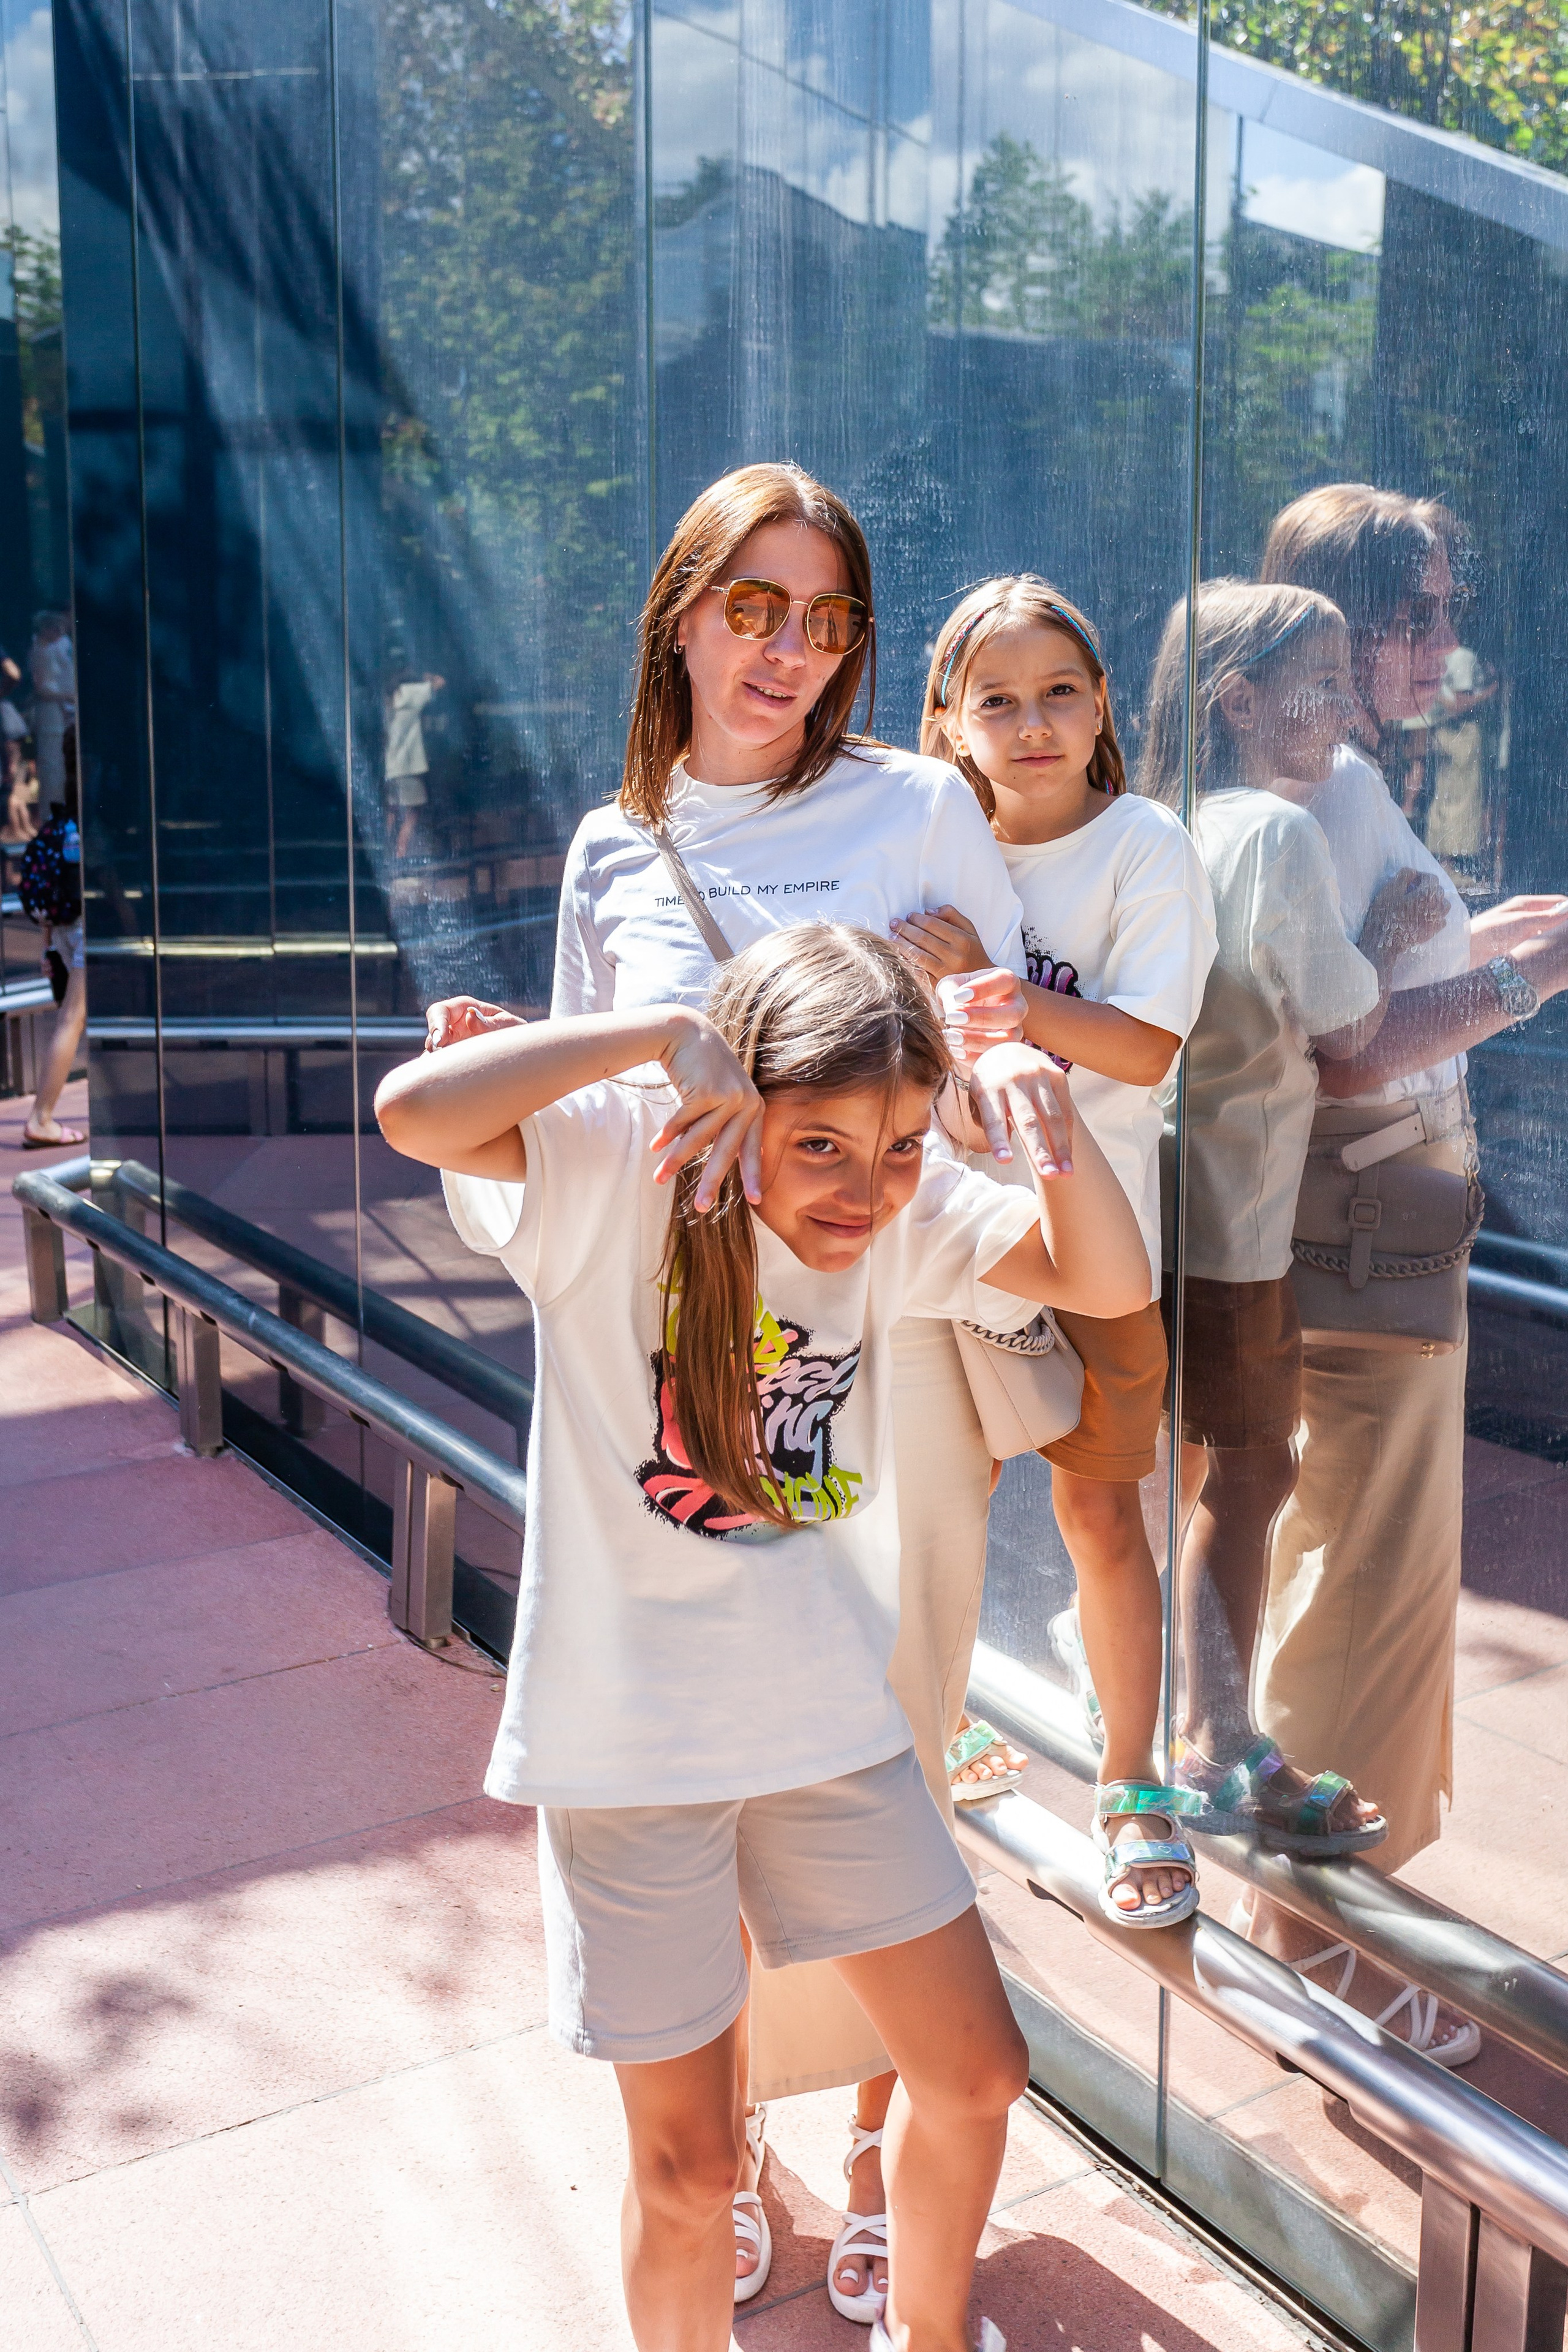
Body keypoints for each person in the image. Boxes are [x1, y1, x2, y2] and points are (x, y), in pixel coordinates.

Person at [424, 461, 1038, 2325]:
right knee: (701, 1753)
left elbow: (993, 1029)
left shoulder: (920, 797)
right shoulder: (622, 841)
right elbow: (565, 1122)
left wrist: (967, 997)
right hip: (681, 1352)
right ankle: (723, 2169)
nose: (787, 651)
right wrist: (507, 1072)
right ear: (678, 615)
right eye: (749, 607)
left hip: (883, 1339)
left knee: (876, 1746)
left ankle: (874, 2162)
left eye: (826, 616)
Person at [375, 921, 1152, 2352]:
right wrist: (657, 1030)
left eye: (903, 1143)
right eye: (822, 1148)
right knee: (679, 2172)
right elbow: (413, 1110)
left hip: (825, 1730)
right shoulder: (618, 1166)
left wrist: (1042, 1117)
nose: (869, 1189)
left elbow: (1100, 1278)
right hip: (629, 1749)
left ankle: (927, 2334)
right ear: (737, 1100)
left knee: (975, 2072)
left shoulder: (900, 1217)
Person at [1239, 486, 1568, 2060]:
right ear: (1342, 621)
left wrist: (1483, 933)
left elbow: (1376, 973)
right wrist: (1528, 970)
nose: (1443, 642)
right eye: (1416, 613)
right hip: (1362, 1198)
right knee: (1358, 1563)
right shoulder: (1323, 794)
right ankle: (1320, 1936)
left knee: (1351, 1548)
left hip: (1368, 1210)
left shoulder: (1327, 780)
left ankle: (1308, 1916)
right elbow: (1357, 1048)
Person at [908, 575, 1218, 1928]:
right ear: (947, 719)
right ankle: (932, 1728)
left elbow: (1143, 1044)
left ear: (1100, 708)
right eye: (997, 699)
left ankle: (1131, 1785)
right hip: (950, 1241)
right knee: (935, 1500)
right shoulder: (920, 842)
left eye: (1059, 693)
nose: (1030, 724)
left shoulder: (1144, 842)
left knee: (1100, 1516)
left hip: (1100, 1251)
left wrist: (986, 983)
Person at [1138, 582, 1449, 1856]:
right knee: (1254, 1470)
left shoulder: (1167, 818)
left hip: (1158, 1202)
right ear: (1238, 701)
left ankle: (1177, 1721)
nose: (1345, 716)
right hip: (1235, 1224)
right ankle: (1214, 1734)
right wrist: (1403, 929)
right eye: (1319, 686)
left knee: (1195, 1472)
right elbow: (1349, 1026)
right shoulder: (1273, 829)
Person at [20, 726, 88, 1150]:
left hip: (63, 928)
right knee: (72, 1018)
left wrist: (48, 945)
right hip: (87, 929)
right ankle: (41, 1117)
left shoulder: (64, 818)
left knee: (74, 1016)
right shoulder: (92, 815)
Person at [383, 654, 445, 859]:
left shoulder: (390, 698)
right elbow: (439, 683)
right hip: (408, 767)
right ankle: (400, 853)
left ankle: (385, 850)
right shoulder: (410, 693)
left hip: (392, 767)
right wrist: (425, 676)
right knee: (413, 811)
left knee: (392, 810)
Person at [28, 612, 75, 806]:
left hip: (59, 710)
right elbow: (42, 690)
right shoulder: (39, 651)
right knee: (51, 765)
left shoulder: (55, 648)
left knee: (60, 764)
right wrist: (65, 698)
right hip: (49, 712)